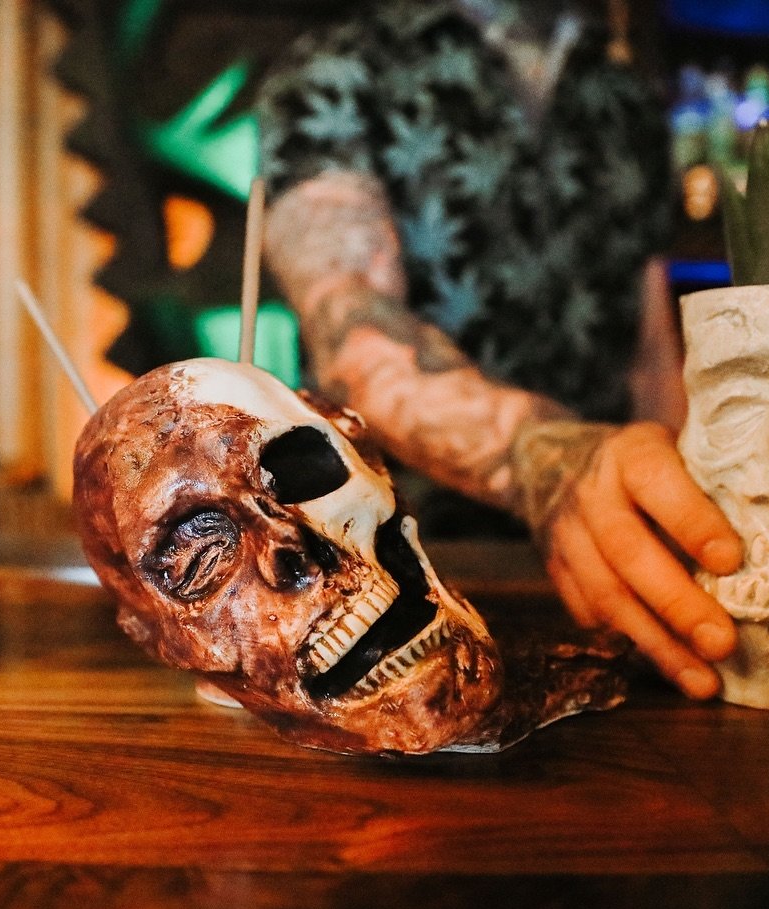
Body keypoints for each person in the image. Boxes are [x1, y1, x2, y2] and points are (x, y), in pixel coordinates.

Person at [256, 0, 743, 698]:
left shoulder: (620, 88)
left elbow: (648, 342)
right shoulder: (335, 71)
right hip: (401, 581)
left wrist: (682, 518)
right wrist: (552, 460)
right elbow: (354, 334)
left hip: (607, 569)